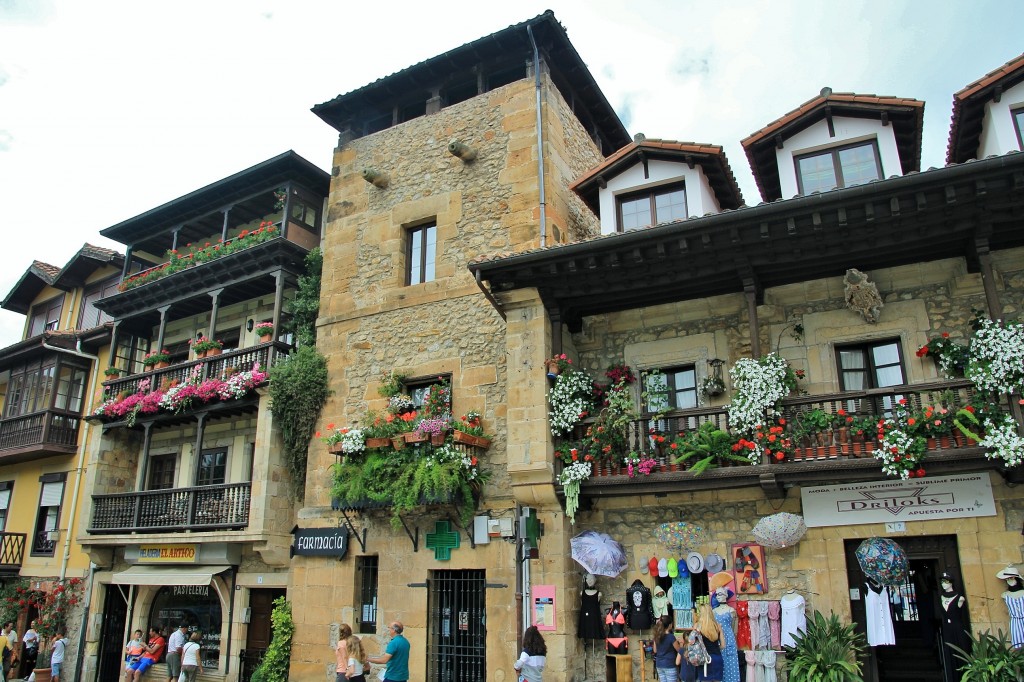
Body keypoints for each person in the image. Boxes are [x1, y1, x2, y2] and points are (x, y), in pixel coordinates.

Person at [693, 604, 724, 682]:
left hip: (704, 659)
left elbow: (693, 643)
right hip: (717, 658)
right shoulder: (717, 626)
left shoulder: (697, 626)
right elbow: (723, 645)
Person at [652, 615, 679, 682]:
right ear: (669, 625)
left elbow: (655, 650)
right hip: (669, 664)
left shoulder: (656, 636)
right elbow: (678, 649)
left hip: (659, 664)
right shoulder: (671, 637)